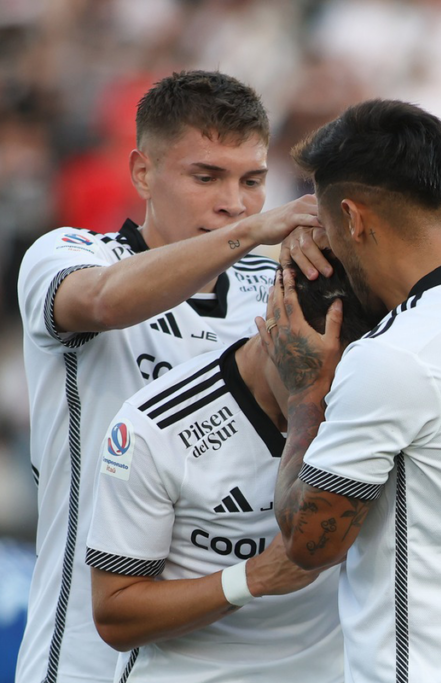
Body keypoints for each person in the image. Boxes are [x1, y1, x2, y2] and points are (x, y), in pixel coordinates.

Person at [15, 70, 318, 683]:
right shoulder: (71, 254)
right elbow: (100, 303)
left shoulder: (279, 293)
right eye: (206, 177)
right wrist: (251, 234)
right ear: (143, 172)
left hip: (230, 655)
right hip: (84, 655)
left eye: (253, 181)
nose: (234, 202)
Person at [265, 99, 441, 683]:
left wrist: (305, 394)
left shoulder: (393, 359)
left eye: (325, 225)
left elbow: (307, 543)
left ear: (354, 217)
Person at [84, 254, 373, 682]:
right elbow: (114, 615)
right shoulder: (154, 428)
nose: (326, 405)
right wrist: (253, 577)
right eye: (308, 376)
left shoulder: (379, 393)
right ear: (274, 329)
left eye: (341, 387)